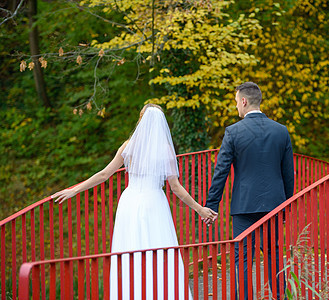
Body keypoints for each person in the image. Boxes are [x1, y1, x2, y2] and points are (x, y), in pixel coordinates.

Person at [52, 103, 217, 300]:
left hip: (129, 203)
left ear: (141, 121)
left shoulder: (129, 145)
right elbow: (175, 187)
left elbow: (104, 174)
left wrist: (74, 190)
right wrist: (199, 209)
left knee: (130, 248)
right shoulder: (165, 149)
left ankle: (133, 293)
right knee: (159, 248)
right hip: (154, 202)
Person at [204, 82, 294, 299]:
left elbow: (221, 172)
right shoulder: (281, 132)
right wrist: (285, 206)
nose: (237, 107)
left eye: (236, 102)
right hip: (274, 206)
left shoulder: (233, 132)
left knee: (243, 258)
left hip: (244, 206)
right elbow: (288, 174)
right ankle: (280, 296)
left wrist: (211, 206)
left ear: (243, 101)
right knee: (273, 254)